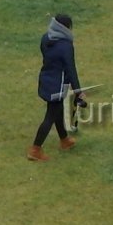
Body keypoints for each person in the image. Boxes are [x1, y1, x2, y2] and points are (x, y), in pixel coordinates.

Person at [29, 13, 84, 160]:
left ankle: (64, 140)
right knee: (50, 116)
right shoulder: (66, 46)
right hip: (58, 86)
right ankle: (35, 149)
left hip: (46, 80)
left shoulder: (46, 38)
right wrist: (78, 91)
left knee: (57, 111)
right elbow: (70, 69)